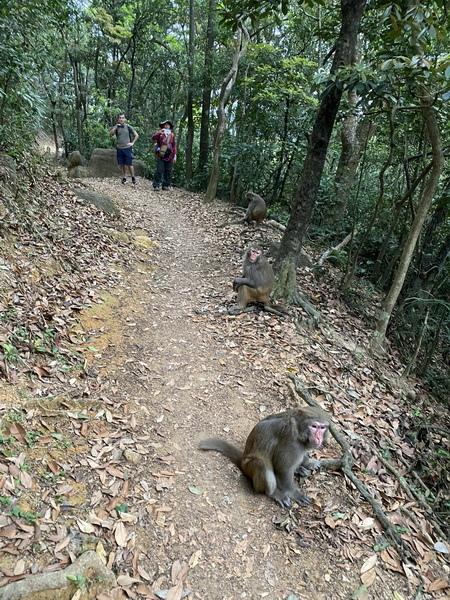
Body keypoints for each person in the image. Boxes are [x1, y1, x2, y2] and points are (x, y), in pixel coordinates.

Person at [109, 113, 139, 184]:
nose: (121, 119)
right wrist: (115, 127)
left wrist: (132, 143)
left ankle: (133, 177)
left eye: (123, 118)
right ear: (118, 119)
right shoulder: (117, 127)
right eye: (120, 118)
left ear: (125, 119)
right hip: (119, 148)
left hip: (127, 148)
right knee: (122, 164)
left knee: (129, 164)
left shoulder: (128, 127)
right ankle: (124, 177)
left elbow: (136, 135)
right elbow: (110, 133)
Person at [152, 120, 177, 191]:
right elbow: (153, 138)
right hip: (161, 155)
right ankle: (156, 185)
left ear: (170, 127)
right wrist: (159, 132)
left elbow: (174, 145)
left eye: (168, 125)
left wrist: (175, 155)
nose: (166, 126)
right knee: (159, 170)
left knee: (168, 171)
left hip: (170, 155)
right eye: (165, 125)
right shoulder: (160, 134)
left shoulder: (172, 135)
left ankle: (165, 185)